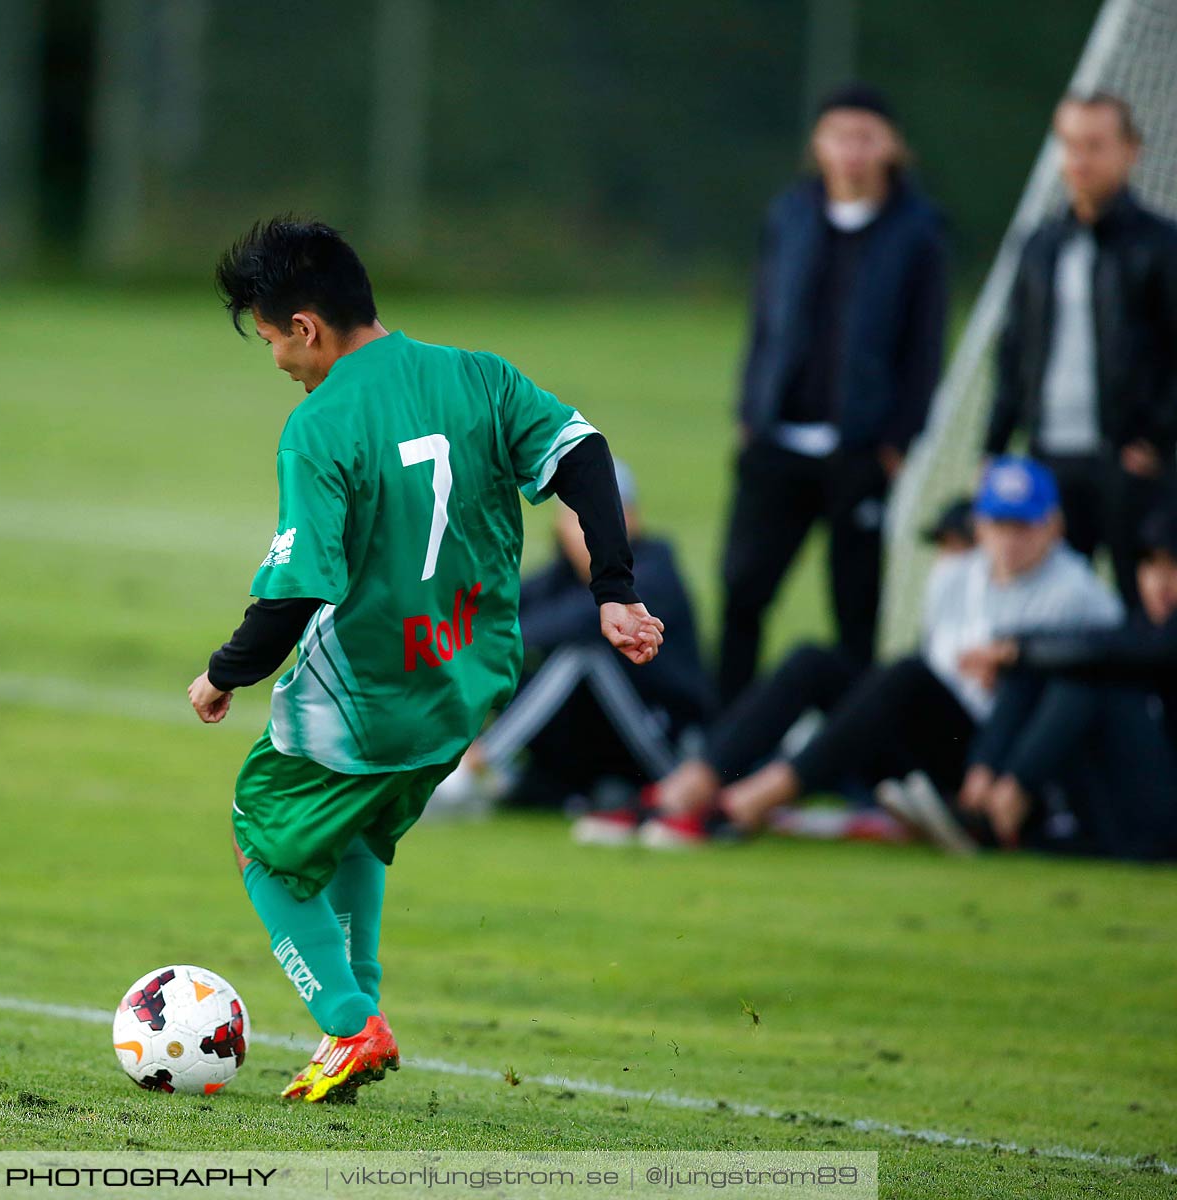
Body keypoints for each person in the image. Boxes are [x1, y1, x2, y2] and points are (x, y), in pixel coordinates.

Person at [187, 218, 664, 1104]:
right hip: (468, 683)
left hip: (363, 693)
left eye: (272, 343)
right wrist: (613, 586)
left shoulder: (320, 425)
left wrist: (223, 673)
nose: (280, 364)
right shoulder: (475, 375)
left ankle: (346, 1017)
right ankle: (357, 1020)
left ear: (306, 327)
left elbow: (295, 590)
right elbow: (584, 453)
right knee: (361, 828)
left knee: (265, 842)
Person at [709, 459, 1122, 839]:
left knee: (906, 677)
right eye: (1000, 524)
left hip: (1003, 758)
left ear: (1053, 526)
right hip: (930, 736)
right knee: (813, 663)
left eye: (1023, 526)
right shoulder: (955, 576)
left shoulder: (1079, 595)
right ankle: (695, 780)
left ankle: (757, 799)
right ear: (979, 524)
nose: (1010, 540)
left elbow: (1080, 701)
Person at [718, 83, 950, 704]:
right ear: (818, 144)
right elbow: (765, 323)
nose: (852, 151)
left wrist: (898, 440)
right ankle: (721, 738)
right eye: (840, 136)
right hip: (778, 439)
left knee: (856, 607)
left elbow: (924, 348)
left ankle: (852, 754)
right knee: (743, 590)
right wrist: (751, 412)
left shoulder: (918, 231)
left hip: (861, 450)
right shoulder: (789, 217)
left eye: (866, 137)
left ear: (892, 147)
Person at [632, 495, 978, 848]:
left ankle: (746, 804)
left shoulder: (1024, 597)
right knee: (813, 661)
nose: (949, 559)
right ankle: (687, 788)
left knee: (905, 674)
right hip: (919, 753)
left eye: (960, 546)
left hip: (979, 763)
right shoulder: (953, 587)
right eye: (944, 546)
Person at [425, 460, 710, 826]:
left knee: (579, 654)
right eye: (577, 517)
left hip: (668, 747)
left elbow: (577, 621)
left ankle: (468, 772)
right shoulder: (562, 576)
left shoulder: (651, 571)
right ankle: (430, 755)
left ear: (631, 520)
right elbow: (497, 612)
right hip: (602, 749)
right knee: (496, 655)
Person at [985, 92, 1177, 612]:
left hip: (1127, 462)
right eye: (1070, 145)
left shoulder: (1159, 245)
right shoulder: (1040, 244)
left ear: (1131, 150)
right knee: (1046, 606)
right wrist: (996, 445)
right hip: (1049, 457)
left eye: (1095, 145)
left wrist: (1157, 439)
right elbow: (1014, 350)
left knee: (1140, 608)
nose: (1080, 159)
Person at [954, 498, 1177, 860]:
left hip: (1164, 821)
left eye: (1173, 566)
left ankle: (1011, 797)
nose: (1160, 582)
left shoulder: (1161, 636)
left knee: (1087, 681)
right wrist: (1017, 653)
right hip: (1126, 811)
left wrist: (1016, 650)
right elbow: (1098, 645)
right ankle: (979, 786)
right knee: (1048, 672)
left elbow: (1113, 654)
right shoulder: (1140, 624)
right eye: (1151, 566)